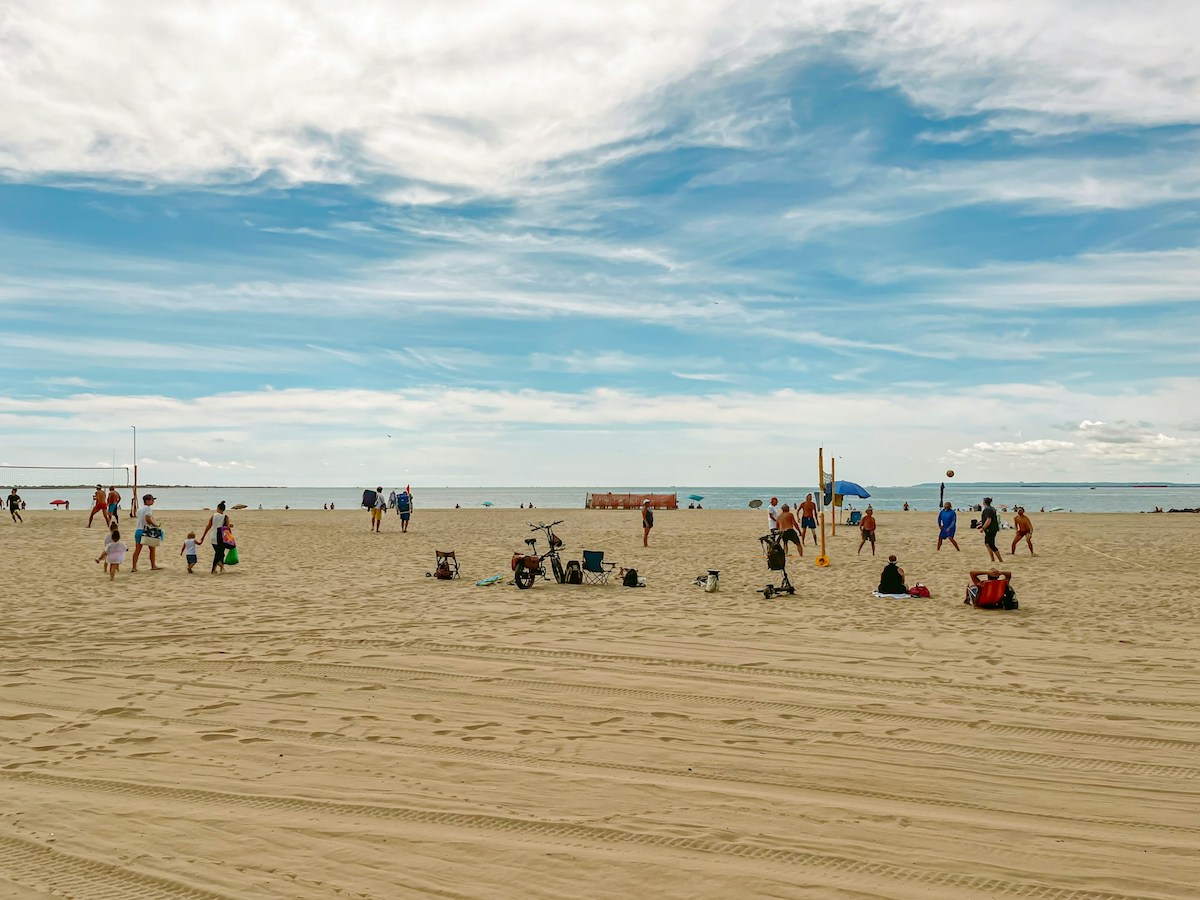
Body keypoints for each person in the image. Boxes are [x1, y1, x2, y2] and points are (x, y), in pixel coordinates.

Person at [131, 494, 161, 571]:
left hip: (138, 530)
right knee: (152, 549)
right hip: (146, 531)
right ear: (147, 501)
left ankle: (134, 567)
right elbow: (148, 519)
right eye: (152, 500)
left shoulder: (139, 509)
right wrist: (155, 524)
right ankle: (153, 565)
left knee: (137, 550)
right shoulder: (148, 509)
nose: (153, 501)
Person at [200, 501, 231, 574]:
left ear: (218, 508)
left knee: (220, 553)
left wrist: (203, 536)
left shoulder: (213, 516)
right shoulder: (225, 517)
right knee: (219, 554)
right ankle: (215, 569)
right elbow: (228, 528)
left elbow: (208, 526)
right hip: (221, 537)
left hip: (213, 537)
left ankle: (221, 568)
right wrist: (230, 537)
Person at [978, 497, 1003, 563]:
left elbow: (989, 520)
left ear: (984, 502)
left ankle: (1000, 560)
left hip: (990, 529)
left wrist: (983, 528)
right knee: (987, 544)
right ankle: (992, 559)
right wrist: (981, 524)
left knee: (991, 544)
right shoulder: (991, 509)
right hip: (992, 528)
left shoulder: (988, 509)